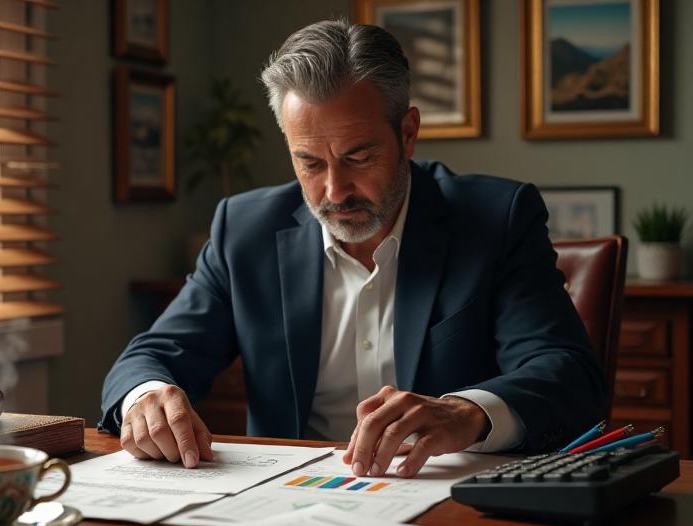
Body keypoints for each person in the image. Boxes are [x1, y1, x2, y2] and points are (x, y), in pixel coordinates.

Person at [100, 19, 605, 478]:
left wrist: (466, 412)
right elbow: (153, 354)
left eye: (358, 157)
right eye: (310, 163)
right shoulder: (244, 229)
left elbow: (568, 374)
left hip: (446, 497)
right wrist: (147, 397)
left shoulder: (497, 219)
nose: (335, 191)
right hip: (285, 505)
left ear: (407, 134)